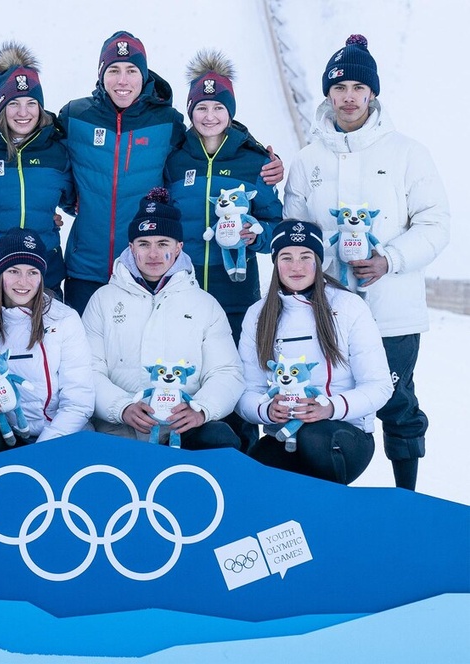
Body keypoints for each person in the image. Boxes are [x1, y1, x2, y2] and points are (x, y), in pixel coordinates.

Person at [283, 34, 450, 490]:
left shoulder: (407, 153)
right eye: (340, 88)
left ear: (372, 93)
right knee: (319, 402)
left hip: (391, 312)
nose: (349, 97)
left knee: (396, 402)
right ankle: (328, 502)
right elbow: (295, 236)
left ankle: (406, 500)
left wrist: (389, 259)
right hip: (325, 313)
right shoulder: (307, 161)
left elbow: (436, 223)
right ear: (328, 94)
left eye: (359, 87)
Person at [59, 31, 283, 315]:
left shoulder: (167, 122)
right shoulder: (74, 116)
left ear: (144, 74)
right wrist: (70, 202)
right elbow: (53, 162)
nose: (122, 80)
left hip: (146, 268)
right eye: (113, 70)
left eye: (131, 70)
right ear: (101, 73)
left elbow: (211, 140)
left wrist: (259, 153)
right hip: (85, 267)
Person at [82, 188, 244, 449]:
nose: (154, 254)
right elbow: (88, 370)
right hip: (118, 431)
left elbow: (225, 371)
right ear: (131, 247)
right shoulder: (104, 300)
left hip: (184, 432)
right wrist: (122, 407)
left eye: (163, 244)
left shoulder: (204, 304)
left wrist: (200, 410)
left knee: (220, 438)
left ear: (179, 247)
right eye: (144, 244)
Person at [236, 221, 393, 484]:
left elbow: (380, 386)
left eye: (305, 257)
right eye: (286, 257)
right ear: (275, 263)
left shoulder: (348, 306)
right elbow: (246, 391)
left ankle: (333, 516)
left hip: (344, 435)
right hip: (284, 435)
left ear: (318, 261)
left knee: (315, 438)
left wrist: (329, 407)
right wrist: (266, 410)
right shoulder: (258, 314)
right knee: (258, 466)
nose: (296, 266)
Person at [164, 49, 282, 343]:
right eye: (202, 108)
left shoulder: (254, 162)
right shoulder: (175, 159)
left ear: (230, 112)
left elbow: (274, 223)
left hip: (235, 287)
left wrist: (257, 235)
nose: (210, 116)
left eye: (218, 107)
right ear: (190, 111)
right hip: (181, 284)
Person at [0, 41, 74, 328]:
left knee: (46, 360)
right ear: (0, 107)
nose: (23, 112)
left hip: (42, 274)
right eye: (14, 103)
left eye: (31, 103)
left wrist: (50, 217)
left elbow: (74, 200)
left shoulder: (57, 151)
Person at [0, 228, 94, 450]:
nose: (23, 282)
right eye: (13, 271)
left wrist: (40, 451)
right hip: (6, 432)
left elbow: (79, 401)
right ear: (0, 273)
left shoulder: (64, 319)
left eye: (32, 272)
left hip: (57, 435)